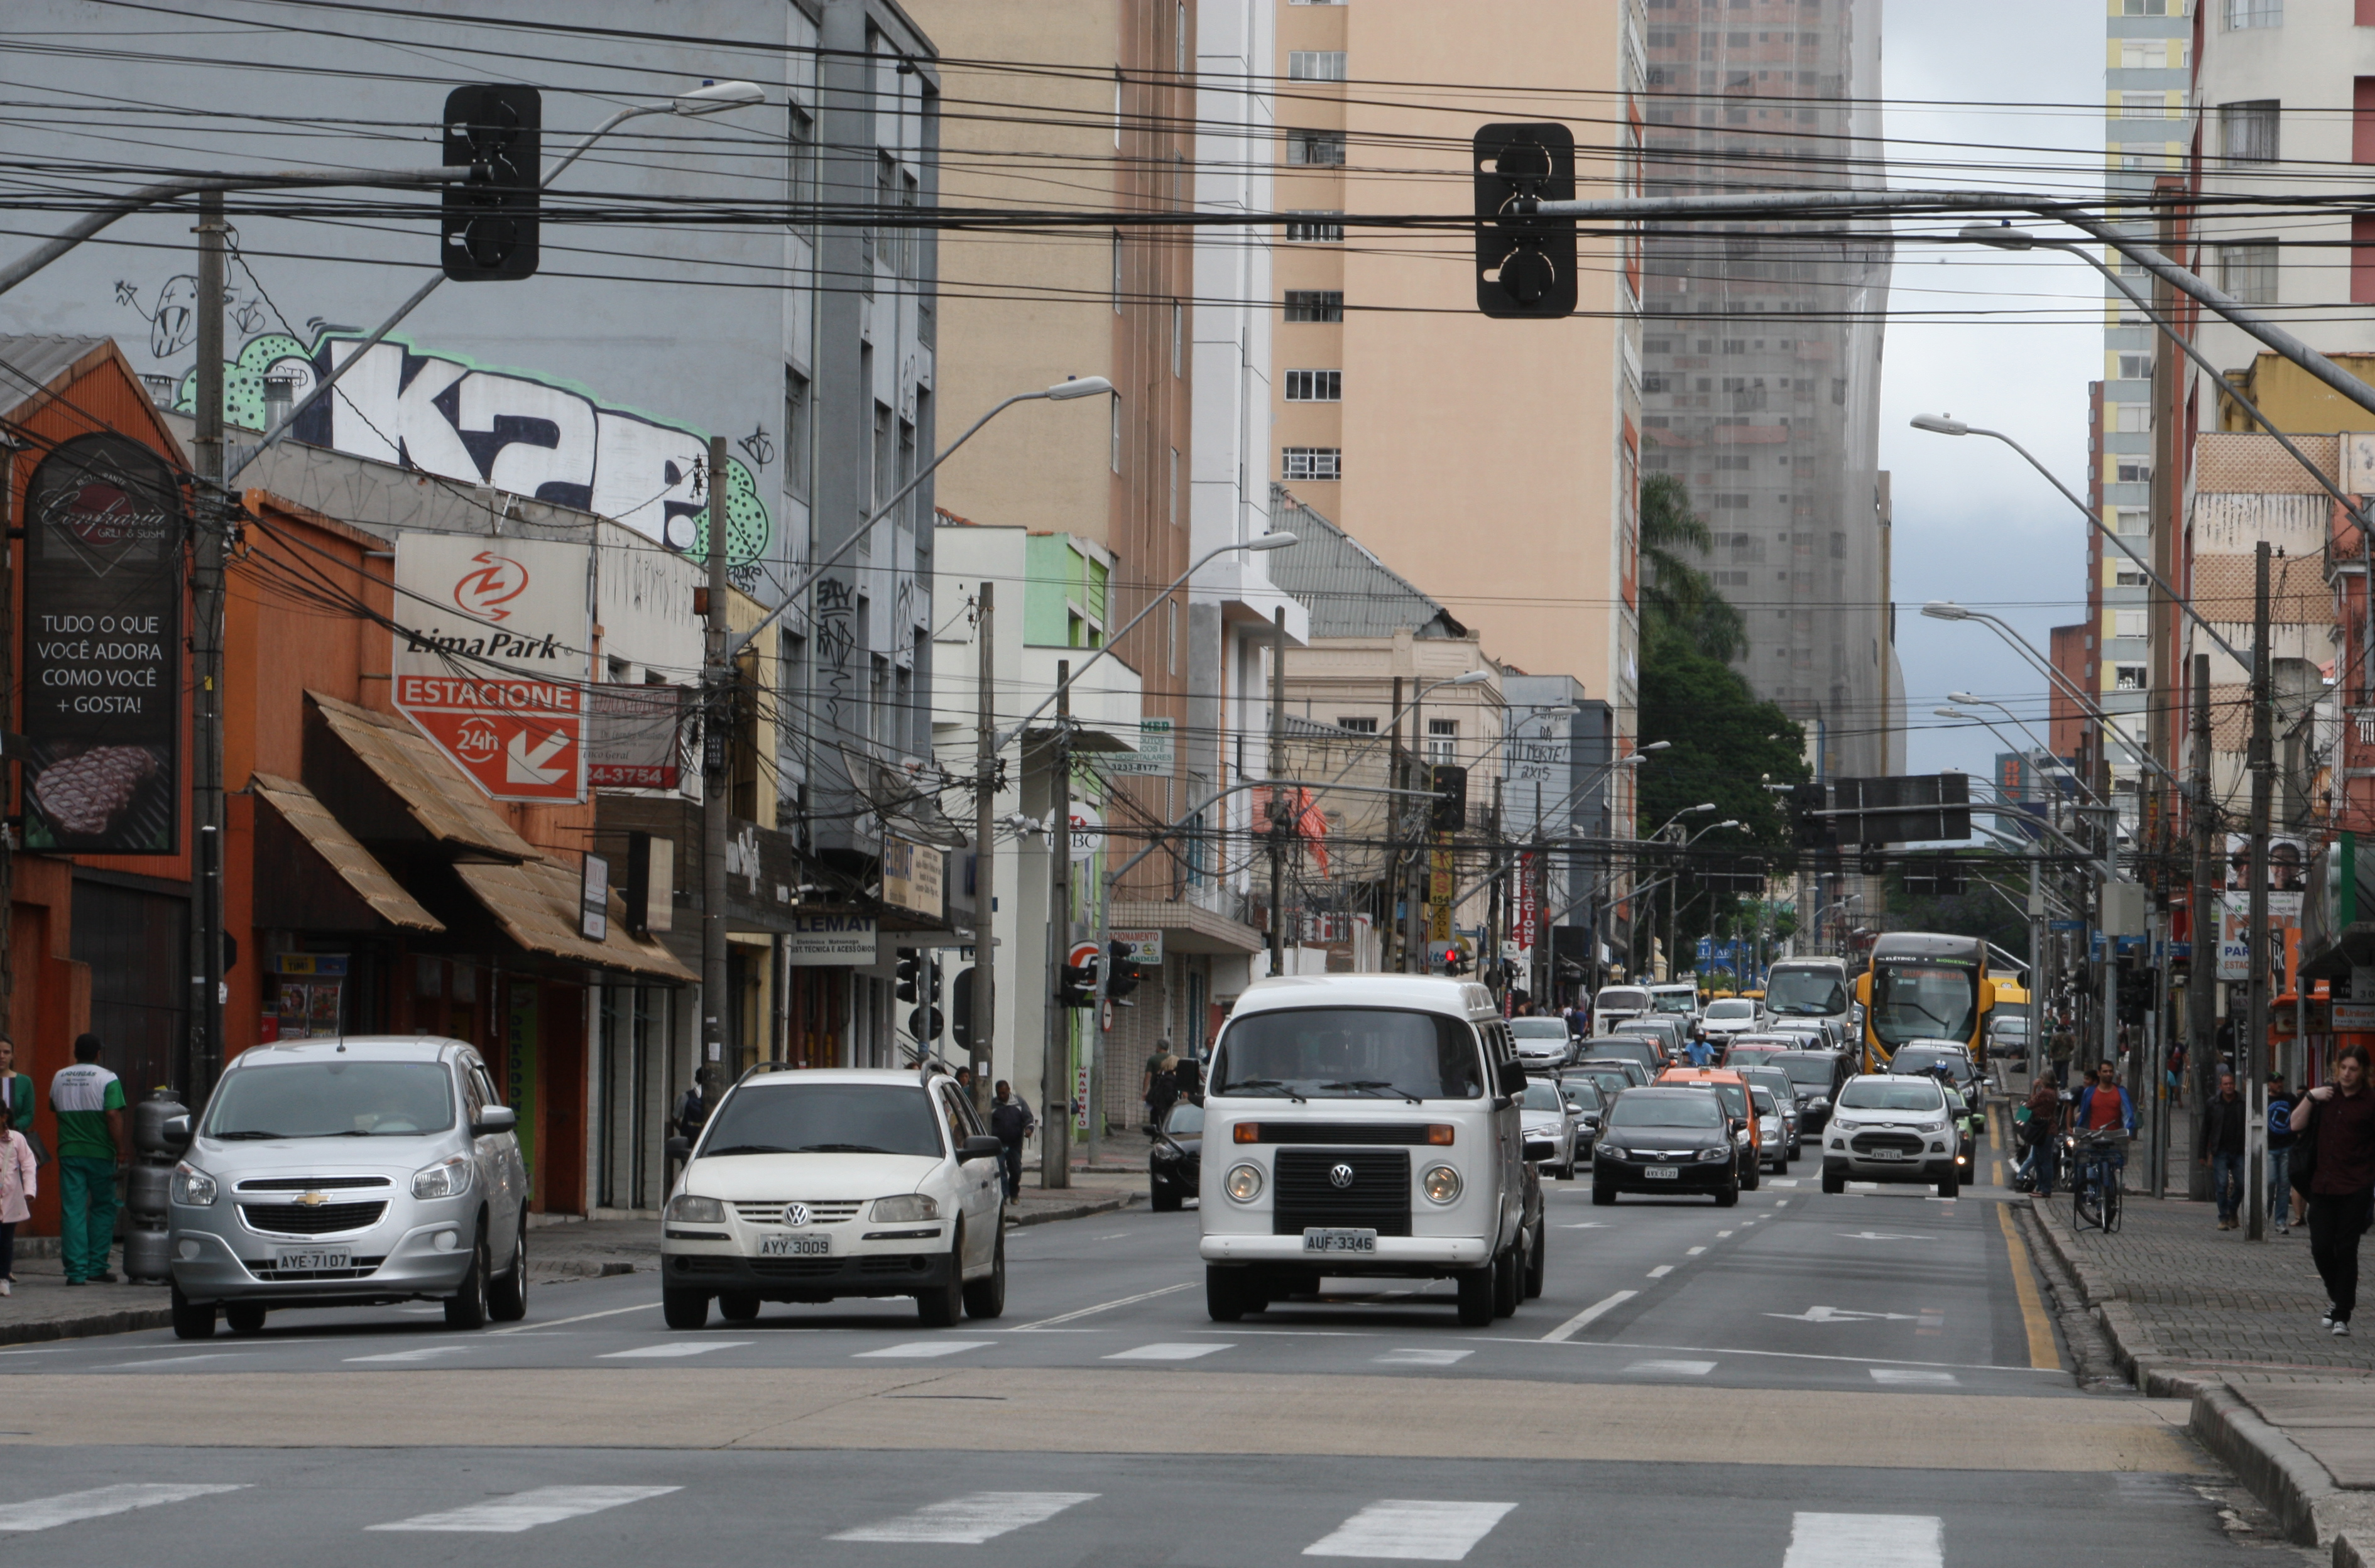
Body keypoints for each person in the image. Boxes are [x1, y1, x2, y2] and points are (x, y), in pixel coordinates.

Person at [2291, 1045, 2375, 1336]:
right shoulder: (2325, 1097)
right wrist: (2311, 1097)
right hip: (2323, 1186)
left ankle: (2342, 1313)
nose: (2347, 1074)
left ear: (2363, 1071)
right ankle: (2337, 1296)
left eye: (2353, 1069)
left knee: (2347, 1248)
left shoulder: (2370, 1102)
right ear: (2336, 1069)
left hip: (2356, 1186)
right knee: (2322, 1247)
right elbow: (2294, 1124)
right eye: (2343, 1068)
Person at [51, 1032, 124, 1286]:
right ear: (98, 1054)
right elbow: (113, 1115)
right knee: (103, 1208)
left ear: (75, 1053)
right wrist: (121, 1150)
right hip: (101, 1153)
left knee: (73, 1210)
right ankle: (96, 1267)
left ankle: (76, 1272)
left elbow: (54, 1107)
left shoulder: (59, 1077)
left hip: (69, 1152)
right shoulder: (107, 1078)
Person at [2202, 1069, 2249, 1231]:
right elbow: (2205, 1129)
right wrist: (2203, 1153)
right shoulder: (2213, 1103)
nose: (2229, 1087)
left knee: (2242, 1184)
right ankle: (2224, 1218)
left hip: (2239, 1150)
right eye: (2226, 1084)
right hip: (2220, 1150)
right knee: (2221, 1185)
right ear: (2220, 1086)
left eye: (2231, 1084)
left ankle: (2232, 1208)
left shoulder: (2243, 1102)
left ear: (2235, 1085)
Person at [0, 1102, 30, 1297]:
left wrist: (30, 1190)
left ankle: (3, 1278)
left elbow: (29, 1164)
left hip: (10, 1198)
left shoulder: (16, 1139)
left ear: (4, 1117)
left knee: (5, 1241)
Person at [988, 1079, 1034, 1204]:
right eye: (999, 1094)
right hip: (998, 1144)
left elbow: (1028, 1118)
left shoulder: (1019, 1103)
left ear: (1008, 1090)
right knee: (1000, 1169)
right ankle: (1003, 1195)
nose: (1002, 1096)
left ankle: (1014, 1193)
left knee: (1015, 1170)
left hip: (1014, 1143)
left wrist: (1029, 1129)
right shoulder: (992, 1105)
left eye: (1004, 1093)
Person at [2021, 1070, 2063, 1197]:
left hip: (2044, 1130)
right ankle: (2040, 1186)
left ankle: (2045, 1189)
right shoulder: (2052, 1093)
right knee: (2037, 1158)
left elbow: (2030, 1104)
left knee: (2044, 1160)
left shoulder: (2046, 1093)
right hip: (2045, 1129)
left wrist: (2035, 1088)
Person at [2268, 1072, 2298, 1235]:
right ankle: (2264, 1216)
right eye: (2276, 1082)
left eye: (2281, 1082)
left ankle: (2281, 1221)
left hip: (2288, 1147)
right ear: (2269, 1085)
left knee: (2285, 1186)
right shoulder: (2264, 1100)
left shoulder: (2291, 1099)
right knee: (2270, 1182)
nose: (2279, 1085)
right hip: (2270, 1148)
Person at [1145, 1043, 1181, 1129]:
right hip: (1165, 1108)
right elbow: (1169, 1095)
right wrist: (1177, 1103)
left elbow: (1149, 1077)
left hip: (1158, 1106)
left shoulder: (1162, 1076)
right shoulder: (1170, 1079)